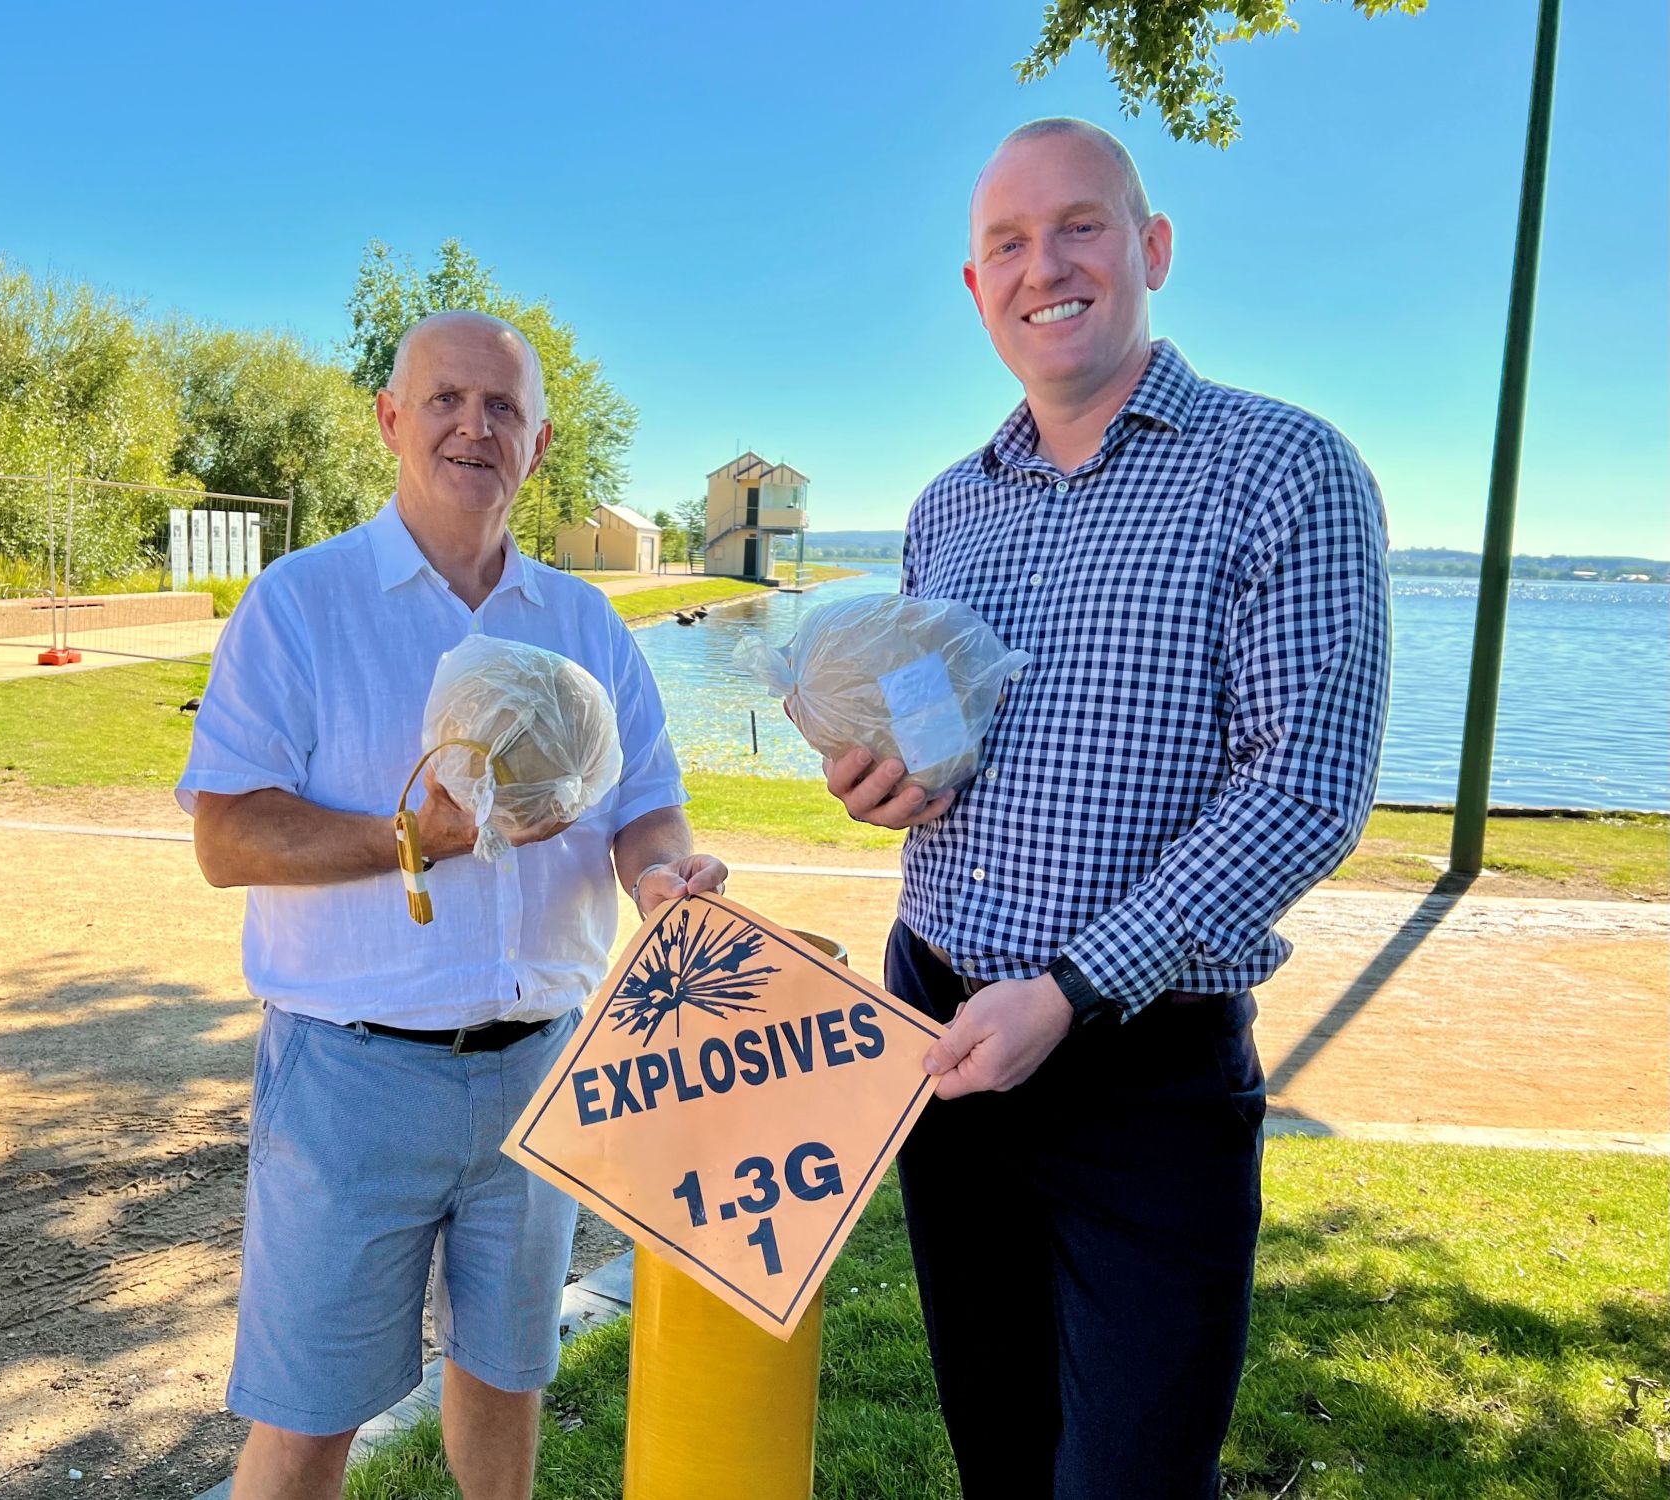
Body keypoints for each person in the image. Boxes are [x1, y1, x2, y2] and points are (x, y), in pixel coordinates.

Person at [817, 119, 1391, 1497]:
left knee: (1132, 1474)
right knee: (999, 1450)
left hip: (1146, 1073)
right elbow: (941, 747)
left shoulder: (1284, 469)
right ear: (974, 289)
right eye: (1006, 243)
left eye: (1080, 225)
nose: (1044, 266)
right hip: (947, 1031)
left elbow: (1306, 790)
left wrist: (1073, 989)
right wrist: (885, 782)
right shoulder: (948, 509)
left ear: (1153, 248)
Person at [179, 309, 726, 1499]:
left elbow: (646, 803)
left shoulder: (584, 625)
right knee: (307, 1416)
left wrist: (660, 879)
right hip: (348, 1078)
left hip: (539, 1068)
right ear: (390, 419)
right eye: (445, 400)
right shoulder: (301, 603)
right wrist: (409, 838)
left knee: (506, 1377)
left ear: (535, 445)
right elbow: (225, 836)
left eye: (503, 409)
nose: (473, 426)